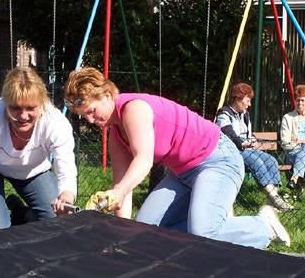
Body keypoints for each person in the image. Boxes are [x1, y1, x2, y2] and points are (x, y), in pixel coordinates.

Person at [64, 67, 290, 249]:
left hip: (218, 160)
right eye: (85, 117)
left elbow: (143, 160)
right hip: (183, 174)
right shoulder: (115, 132)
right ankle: (206, 232)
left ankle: (262, 226)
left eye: (92, 111)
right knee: (144, 233)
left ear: (106, 95)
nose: (91, 121)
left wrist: (119, 192)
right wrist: (123, 237)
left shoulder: (134, 109)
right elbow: (123, 186)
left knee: (203, 233)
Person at [0, 66, 78, 235]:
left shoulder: (56, 123)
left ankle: (22, 214)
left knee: (55, 221)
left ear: (41, 104)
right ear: (5, 103)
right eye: (16, 108)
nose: (23, 116)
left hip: (33, 170)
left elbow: (66, 167)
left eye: (31, 108)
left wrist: (67, 194)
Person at [216, 82, 293, 211]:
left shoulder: (245, 114)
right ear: (238, 98)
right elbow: (229, 133)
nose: (249, 104)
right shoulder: (224, 114)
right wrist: (241, 143)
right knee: (257, 162)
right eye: (248, 100)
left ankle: (272, 199)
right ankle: (276, 200)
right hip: (232, 151)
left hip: (247, 150)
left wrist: (252, 139)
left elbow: (248, 134)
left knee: (271, 160)